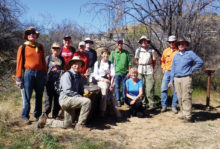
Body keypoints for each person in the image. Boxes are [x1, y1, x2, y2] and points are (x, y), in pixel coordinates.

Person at [38, 56, 91, 130]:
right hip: (65, 99)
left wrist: (85, 91)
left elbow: (81, 88)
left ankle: (45, 121)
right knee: (87, 102)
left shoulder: (79, 76)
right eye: (75, 64)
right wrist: (80, 97)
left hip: (72, 99)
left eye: (79, 64)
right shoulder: (67, 74)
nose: (77, 66)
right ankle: (80, 125)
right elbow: (67, 91)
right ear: (72, 65)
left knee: (67, 124)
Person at [16, 26, 47, 124]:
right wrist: (18, 78)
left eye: (33, 33)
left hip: (40, 73)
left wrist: (45, 74)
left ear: (36, 35)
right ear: (26, 36)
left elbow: (43, 61)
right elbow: (19, 63)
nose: (31, 35)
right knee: (27, 96)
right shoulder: (23, 47)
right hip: (28, 73)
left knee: (39, 95)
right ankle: (25, 116)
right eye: (29, 33)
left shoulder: (40, 46)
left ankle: (37, 115)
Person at [168, 37, 203, 122]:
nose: (181, 45)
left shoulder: (190, 53)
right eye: (179, 44)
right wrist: (171, 80)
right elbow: (173, 68)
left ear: (186, 45)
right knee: (179, 97)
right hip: (177, 79)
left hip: (186, 78)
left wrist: (191, 70)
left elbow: (200, 62)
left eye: (182, 43)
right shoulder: (176, 55)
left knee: (186, 97)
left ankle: (188, 117)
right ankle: (184, 114)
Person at [93, 48, 121, 119]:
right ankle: (102, 111)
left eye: (107, 54)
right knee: (105, 89)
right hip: (100, 81)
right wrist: (103, 79)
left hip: (109, 81)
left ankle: (118, 114)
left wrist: (112, 85)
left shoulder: (110, 64)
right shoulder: (97, 63)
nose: (106, 55)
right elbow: (95, 75)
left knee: (113, 95)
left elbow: (113, 75)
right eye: (104, 53)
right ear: (101, 54)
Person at [43, 42, 65, 119]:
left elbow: (63, 68)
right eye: (54, 48)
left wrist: (62, 72)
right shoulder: (48, 58)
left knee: (57, 98)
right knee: (48, 98)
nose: (56, 49)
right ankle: (46, 113)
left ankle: (55, 114)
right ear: (51, 49)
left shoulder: (61, 59)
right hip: (49, 81)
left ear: (59, 49)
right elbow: (44, 69)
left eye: (57, 48)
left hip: (58, 82)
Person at [135, 35, 157, 111]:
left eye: (145, 40)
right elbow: (136, 60)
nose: (144, 42)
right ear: (140, 42)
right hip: (140, 71)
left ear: (147, 41)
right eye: (142, 41)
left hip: (149, 70)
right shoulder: (138, 50)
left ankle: (151, 105)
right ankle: (143, 103)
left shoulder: (152, 51)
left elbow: (154, 61)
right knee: (141, 88)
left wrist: (151, 67)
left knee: (149, 88)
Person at [109, 39, 132, 107]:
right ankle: (118, 100)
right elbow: (110, 63)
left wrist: (129, 72)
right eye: (118, 43)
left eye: (121, 43)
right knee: (117, 87)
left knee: (125, 87)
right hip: (116, 73)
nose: (120, 44)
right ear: (116, 44)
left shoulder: (126, 53)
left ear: (122, 44)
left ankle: (125, 101)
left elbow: (129, 63)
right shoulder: (113, 53)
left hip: (125, 73)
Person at [160, 35, 178, 113]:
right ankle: (164, 106)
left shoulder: (179, 51)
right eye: (170, 42)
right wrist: (164, 69)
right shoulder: (165, 51)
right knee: (163, 88)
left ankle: (174, 106)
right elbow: (162, 61)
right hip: (167, 72)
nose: (171, 43)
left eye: (173, 42)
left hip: (176, 73)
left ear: (175, 42)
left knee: (176, 90)